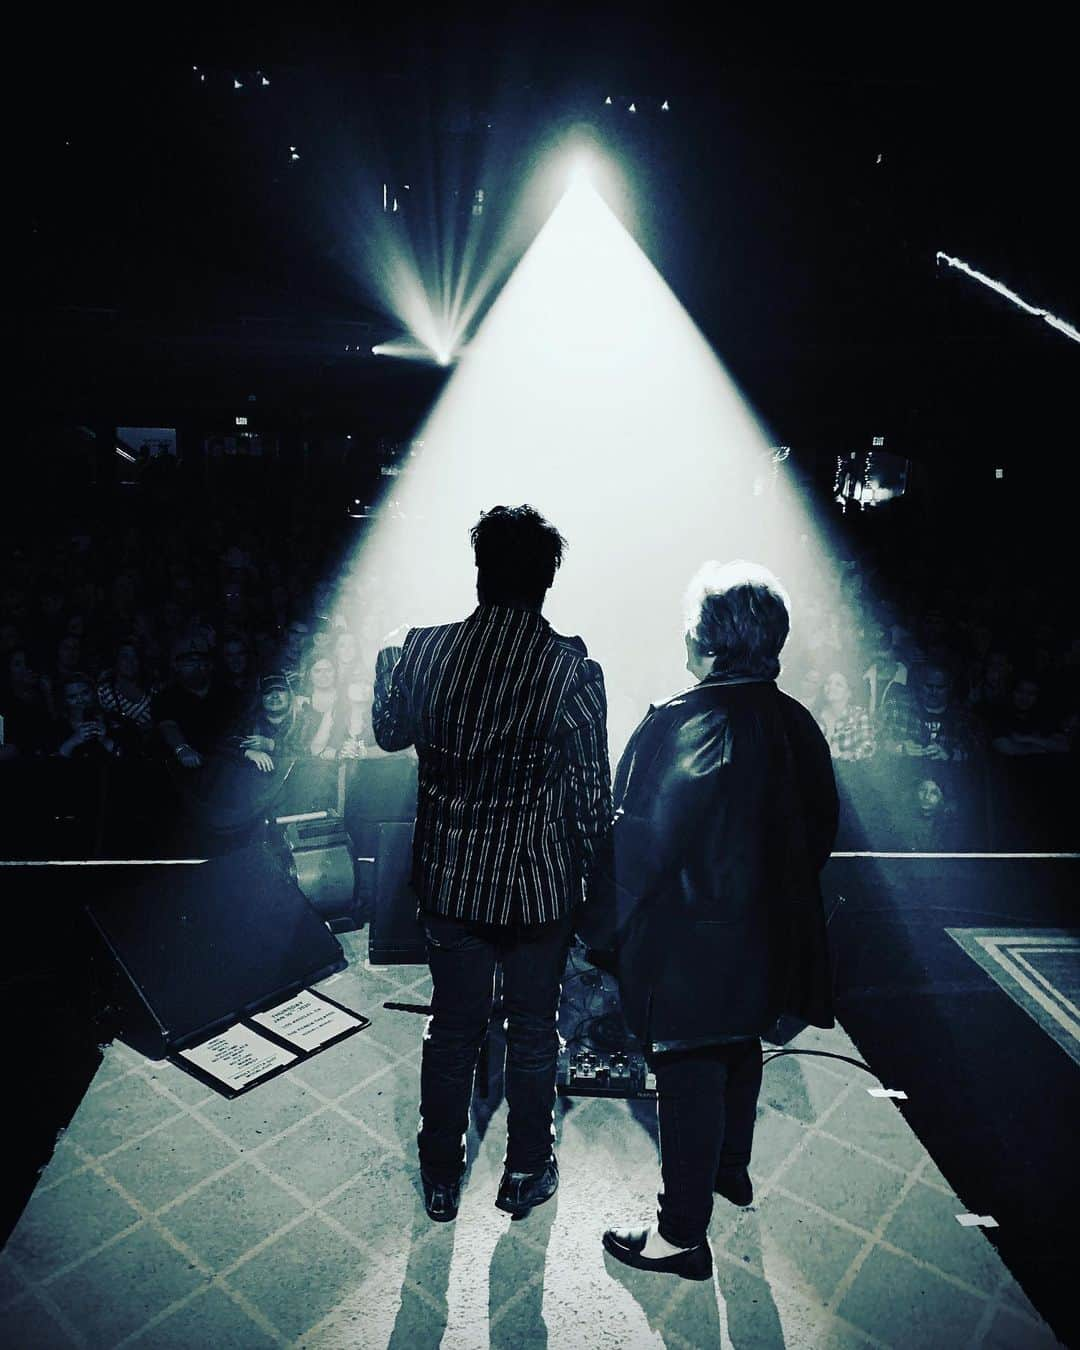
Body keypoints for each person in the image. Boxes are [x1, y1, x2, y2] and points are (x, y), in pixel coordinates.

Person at [582, 560, 837, 1281]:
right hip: (767, 936)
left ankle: (680, 1237)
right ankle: (732, 1171)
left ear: (709, 640)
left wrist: (597, 930)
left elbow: (639, 846)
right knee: (741, 1045)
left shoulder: (683, 721)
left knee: (689, 1067)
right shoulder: (797, 721)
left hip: (693, 945)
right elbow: (821, 828)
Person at [373, 504, 612, 1224]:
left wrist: (387, 664)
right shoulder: (571, 671)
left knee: (453, 1028)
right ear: (547, 581)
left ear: (480, 573)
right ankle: (524, 1172)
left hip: (449, 881)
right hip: (539, 891)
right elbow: (592, 804)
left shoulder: (421, 650)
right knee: (534, 1031)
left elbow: (389, 735)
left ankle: (442, 1177)